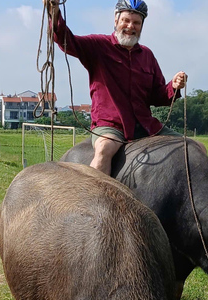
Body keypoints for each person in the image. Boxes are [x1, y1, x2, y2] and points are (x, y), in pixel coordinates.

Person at [46, 0, 187, 175]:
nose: (130, 26)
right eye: (126, 20)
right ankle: (94, 198)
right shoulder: (98, 46)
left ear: (142, 25)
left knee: (194, 149)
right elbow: (67, 40)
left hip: (145, 124)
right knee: (104, 150)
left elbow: (157, 96)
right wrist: (55, 10)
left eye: (136, 22)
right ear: (116, 20)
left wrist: (173, 87)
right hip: (110, 124)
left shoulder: (148, 56)